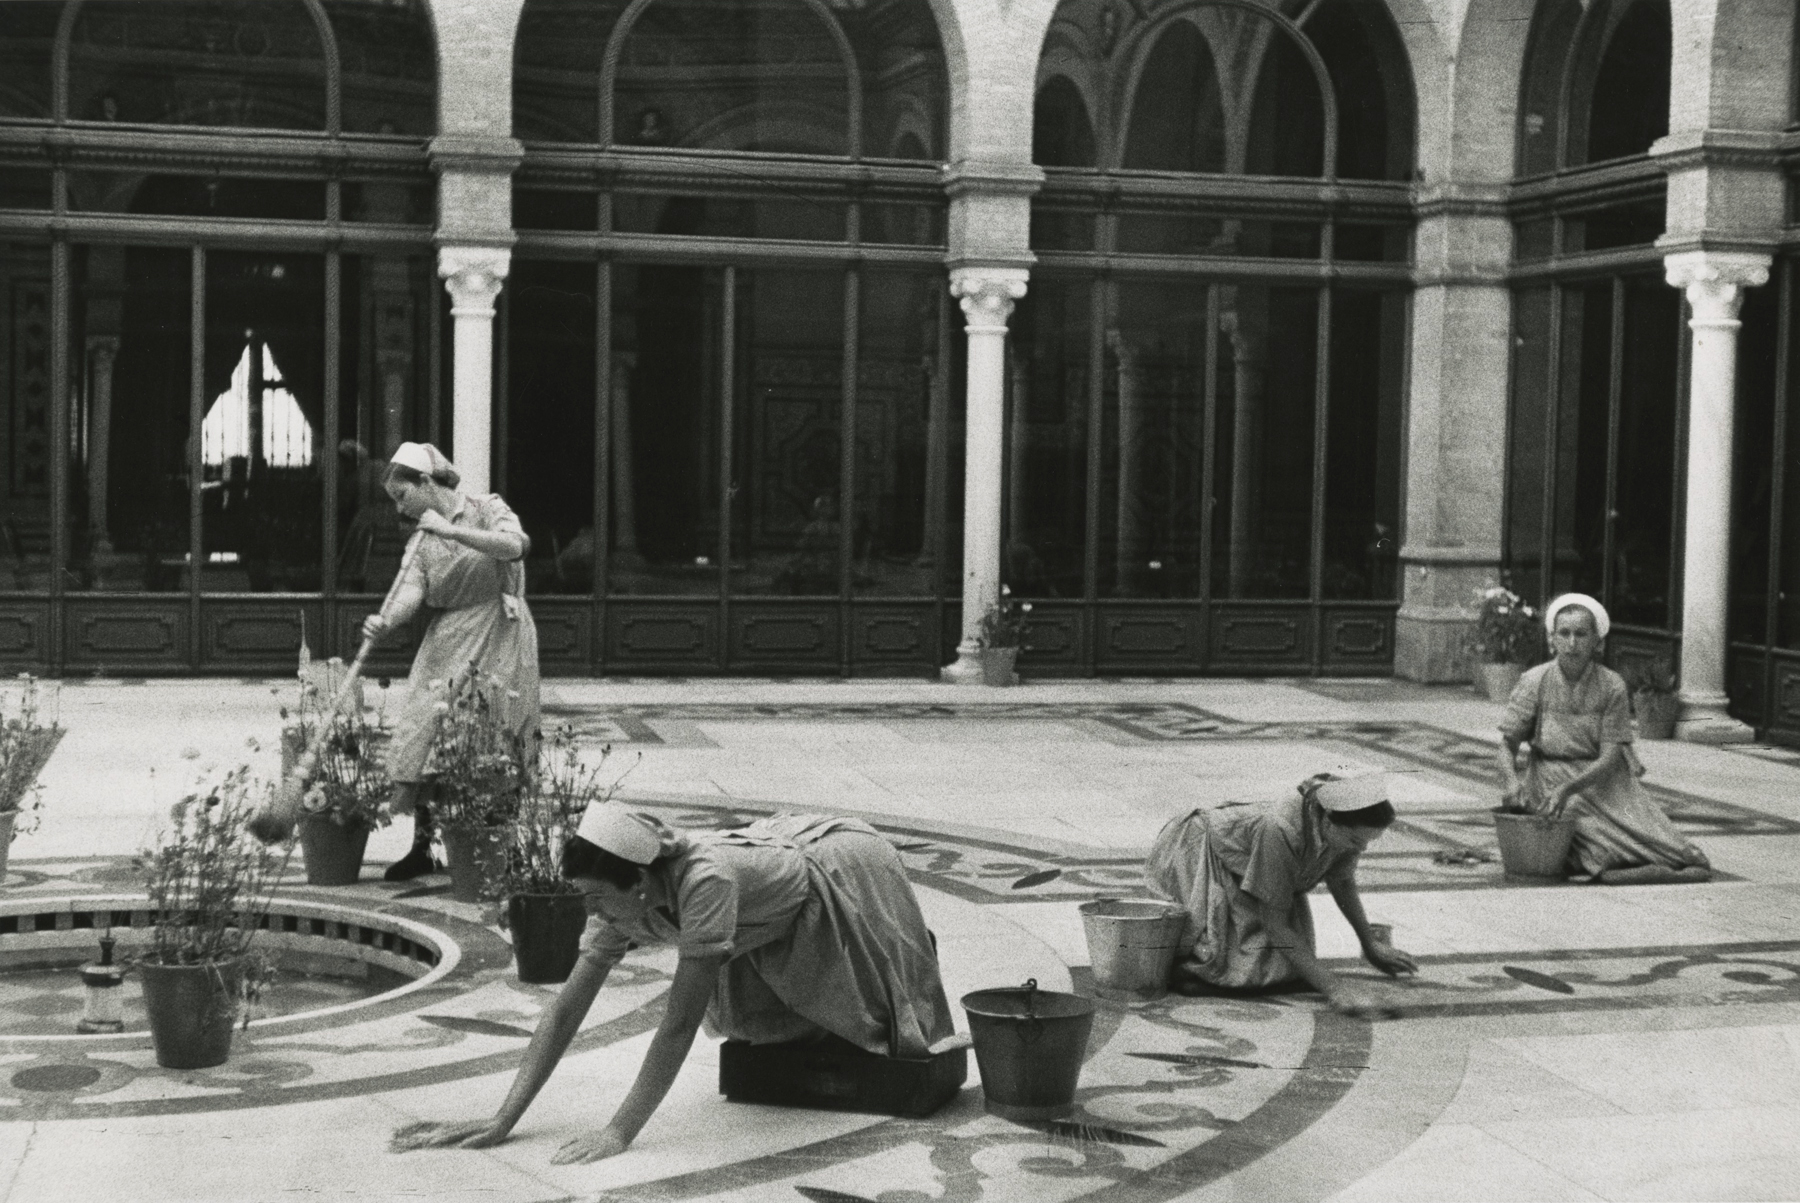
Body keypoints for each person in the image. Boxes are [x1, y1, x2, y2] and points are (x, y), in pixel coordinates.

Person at [390, 805, 959, 1163]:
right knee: (762, 1019)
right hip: (766, 885)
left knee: (880, 1009)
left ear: (639, 882)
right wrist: (502, 1118)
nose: (588, 910)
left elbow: (678, 1023)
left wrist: (619, 1132)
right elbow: (564, 1012)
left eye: (594, 897)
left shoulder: (704, 883)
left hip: (843, 866)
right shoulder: (617, 903)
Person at [364, 442, 540, 881]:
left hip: (501, 631)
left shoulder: (486, 507)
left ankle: (507, 849)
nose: (401, 509)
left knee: (499, 733)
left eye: (403, 496)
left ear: (425, 482)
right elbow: (411, 591)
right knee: (428, 731)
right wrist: (385, 621)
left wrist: (451, 531)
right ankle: (424, 846)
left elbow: (516, 545)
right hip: (448, 639)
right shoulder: (420, 539)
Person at [1145, 771, 1418, 1017]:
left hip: (1252, 857)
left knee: (1280, 971)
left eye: (1367, 842)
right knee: (1222, 968)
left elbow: (1343, 882)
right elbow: (1274, 923)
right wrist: (1335, 989)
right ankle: (1185, 972)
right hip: (1200, 848)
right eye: (1356, 841)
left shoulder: (1342, 823)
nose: (1361, 850)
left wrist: (1370, 945)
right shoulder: (1281, 828)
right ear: (1328, 822)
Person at [1497, 593, 1710, 884]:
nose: (1572, 643)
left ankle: (1649, 864)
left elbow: (1611, 756)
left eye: (1582, 634)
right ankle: (1612, 864)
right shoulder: (1534, 681)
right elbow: (1507, 745)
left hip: (1604, 780)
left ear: (1597, 641)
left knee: (1672, 847)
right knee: (1590, 839)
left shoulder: (1612, 685)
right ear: (1552, 640)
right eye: (1565, 633)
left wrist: (1570, 788)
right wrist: (1511, 781)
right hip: (1549, 779)